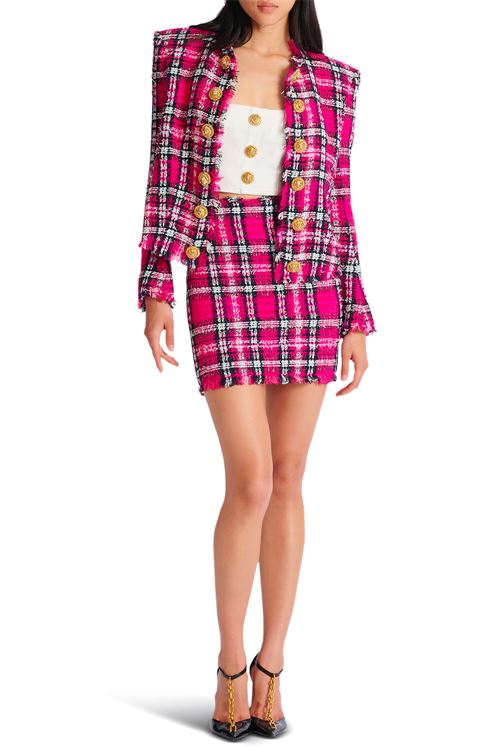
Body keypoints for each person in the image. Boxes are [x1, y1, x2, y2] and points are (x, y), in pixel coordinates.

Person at [137, 0, 377, 740]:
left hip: (310, 278)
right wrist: (156, 284)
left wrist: (356, 312)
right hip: (220, 264)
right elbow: (165, 174)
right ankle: (229, 663)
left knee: (290, 473)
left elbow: (338, 200)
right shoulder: (183, 57)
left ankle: (272, 666)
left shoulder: (333, 80)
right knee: (251, 479)